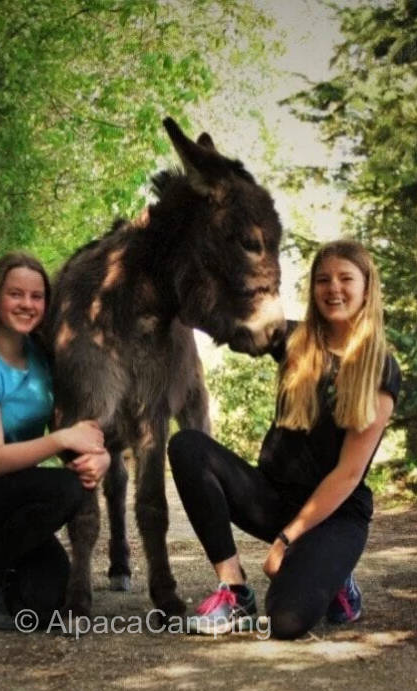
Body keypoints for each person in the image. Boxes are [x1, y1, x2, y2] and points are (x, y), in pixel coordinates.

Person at [168, 239, 400, 640]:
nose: (334, 288)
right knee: (188, 446)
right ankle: (234, 590)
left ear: (367, 288)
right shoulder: (295, 340)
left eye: (346, 278)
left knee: (287, 622)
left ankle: (335, 577)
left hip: (335, 513)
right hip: (271, 496)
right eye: (323, 279)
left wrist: (288, 538)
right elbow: (228, 322)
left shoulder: (380, 368)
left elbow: (347, 475)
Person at [0, 251, 110, 629]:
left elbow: (83, 427)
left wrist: (100, 457)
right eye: (16, 294)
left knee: (44, 607)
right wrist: (62, 437)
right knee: (65, 488)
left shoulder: (43, 359)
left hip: (15, 503)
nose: (27, 304)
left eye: (36, 296)